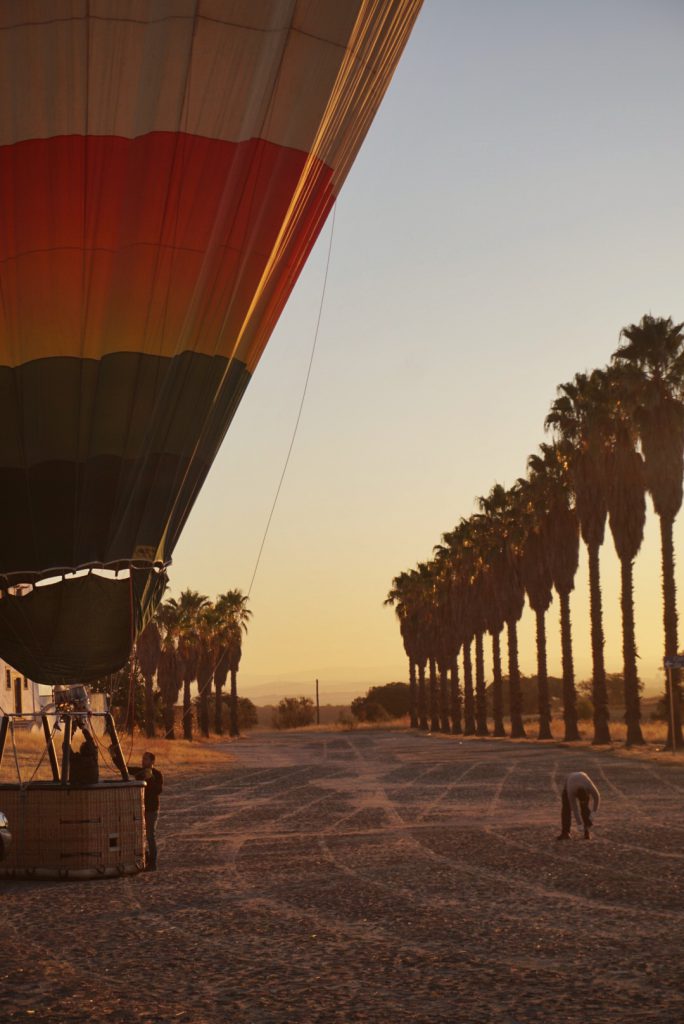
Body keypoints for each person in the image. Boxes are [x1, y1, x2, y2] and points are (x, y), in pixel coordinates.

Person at [129, 752, 163, 871]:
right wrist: (114, 756)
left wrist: (151, 779)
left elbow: (158, 790)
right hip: (140, 807)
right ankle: (145, 859)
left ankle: (153, 863)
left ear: (152, 761)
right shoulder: (140, 772)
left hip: (152, 809)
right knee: (139, 835)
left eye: (146, 759)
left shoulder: (157, 774)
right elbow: (125, 768)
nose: (143, 761)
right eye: (143, 758)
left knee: (150, 835)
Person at [557, 770, 600, 840]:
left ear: (587, 792)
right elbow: (575, 809)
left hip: (582, 778)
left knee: (585, 808)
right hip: (569, 781)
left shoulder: (588, 785)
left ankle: (587, 830)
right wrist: (579, 824)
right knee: (566, 809)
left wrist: (593, 813)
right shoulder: (571, 791)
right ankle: (565, 833)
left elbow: (597, 797)